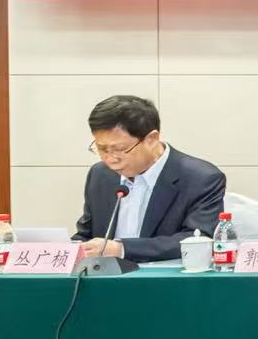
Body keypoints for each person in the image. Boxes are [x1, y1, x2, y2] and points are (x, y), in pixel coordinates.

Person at [74, 94, 227, 263]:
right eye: (102, 149)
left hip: (163, 277)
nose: (110, 159)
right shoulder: (100, 174)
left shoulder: (201, 178)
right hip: (104, 276)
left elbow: (199, 239)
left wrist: (122, 249)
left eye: (120, 149)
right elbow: (86, 234)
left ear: (152, 139)